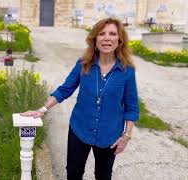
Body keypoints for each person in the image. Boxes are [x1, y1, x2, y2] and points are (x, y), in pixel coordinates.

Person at [21, 17, 139, 180]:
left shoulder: (127, 71)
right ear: (95, 39)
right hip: (79, 129)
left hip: (109, 135)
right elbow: (65, 89)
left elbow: (132, 107)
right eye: (101, 34)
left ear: (119, 40)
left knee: (103, 176)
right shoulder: (84, 64)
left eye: (112, 34)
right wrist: (42, 109)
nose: (106, 38)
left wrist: (126, 136)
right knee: (74, 173)